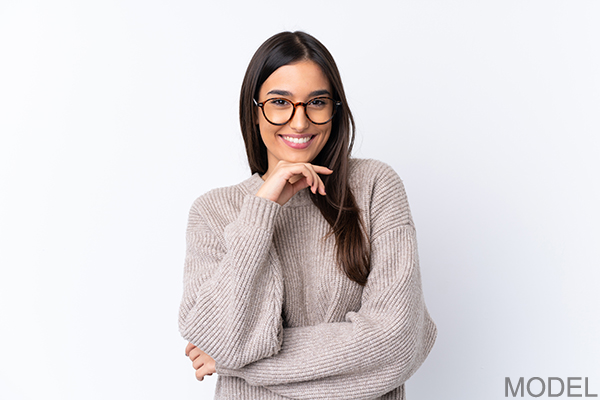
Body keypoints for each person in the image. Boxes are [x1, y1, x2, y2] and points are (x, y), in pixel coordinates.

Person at [178, 31, 437, 400]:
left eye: (316, 102)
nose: (299, 123)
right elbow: (218, 334)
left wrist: (235, 362)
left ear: (335, 109)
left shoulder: (375, 186)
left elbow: (395, 341)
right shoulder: (214, 212)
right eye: (280, 102)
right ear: (254, 111)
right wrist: (262, 209)